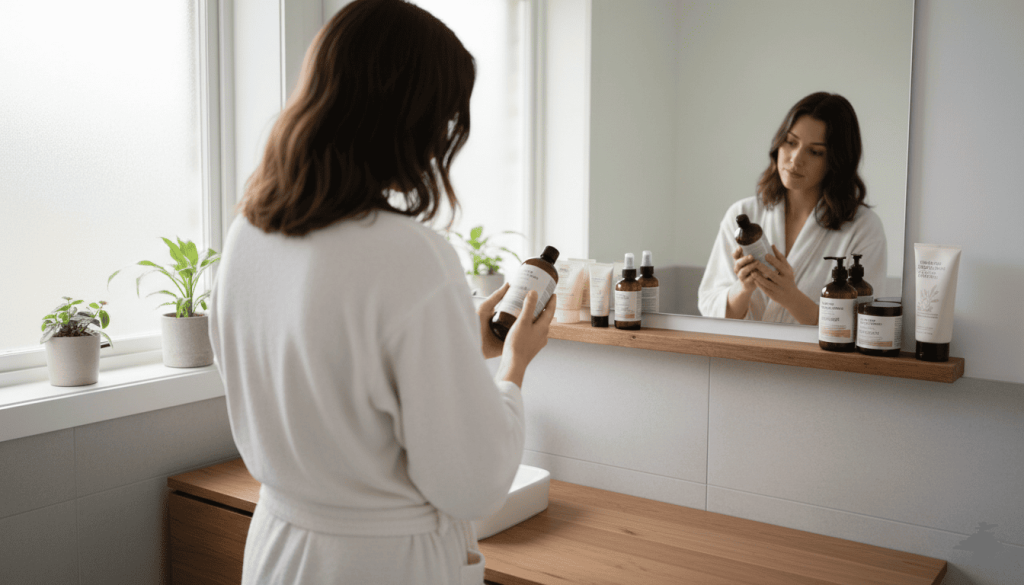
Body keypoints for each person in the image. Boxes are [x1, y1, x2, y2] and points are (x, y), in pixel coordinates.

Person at [207, 1, 554, 583]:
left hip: (279, 550)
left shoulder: (248, 234)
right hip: (378, 565)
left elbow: (329, 384)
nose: (440, 141)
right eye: (442, 120)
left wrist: (456, 341)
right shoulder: (413, 255)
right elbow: (474, 484)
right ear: (406, 118)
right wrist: (515, 365)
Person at [697, 92, 887, 324]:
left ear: (837, 161)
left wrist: (790, 297)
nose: (795, 159)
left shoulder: (863, 228)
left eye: (815, 152)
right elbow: (711, 308)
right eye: (790, 142)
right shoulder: (742, 215)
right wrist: (744, 287)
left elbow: (863, 325)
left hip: (811, 361)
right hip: (741, 358)